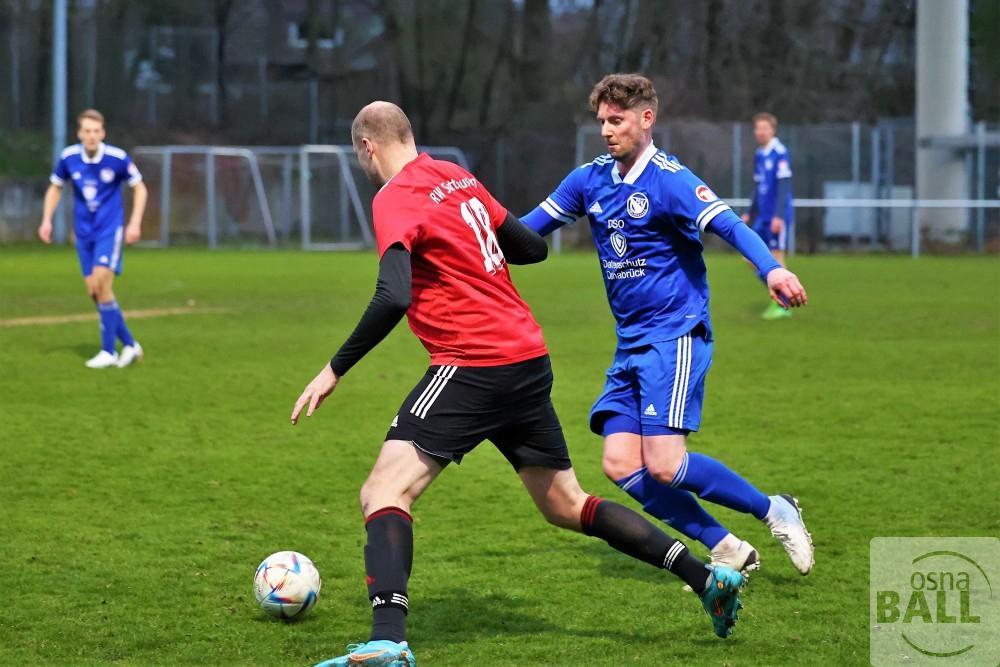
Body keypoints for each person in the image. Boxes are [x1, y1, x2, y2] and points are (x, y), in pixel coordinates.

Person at [292, 101, 749, 667]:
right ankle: (706, 577)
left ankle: (389, 638)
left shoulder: (393, 197)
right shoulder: (456, 176)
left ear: (368, 148)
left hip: (471, 363)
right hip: (527, 358)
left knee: (383, 491)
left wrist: (334, 368)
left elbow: (394, 294)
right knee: (566, 503)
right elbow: (531, 247)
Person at [522, 74, 814, 584]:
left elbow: (728, 223)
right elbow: (524, 232)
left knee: (665, 465)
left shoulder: (670, 178)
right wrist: (465, 232)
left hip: (674, 335)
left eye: (617, 121)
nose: (607, 132)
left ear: (646, 119)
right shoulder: (589, 180)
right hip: (630, 343)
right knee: (619, 464)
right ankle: (726, 546)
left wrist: (771, 268)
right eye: (602, 122)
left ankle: (773, 509)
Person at [39, 109, 147, 368]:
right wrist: (46, 219)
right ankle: (130, 345)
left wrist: (134, 223)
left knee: (102, 283)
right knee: (94, 292)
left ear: (103, 133)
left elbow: (140, 188)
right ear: (79, 133)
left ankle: (108, 352)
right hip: (83, 233)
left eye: (96, 131)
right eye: (87, 131)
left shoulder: (117, 158)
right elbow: (55, 187)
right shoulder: (68, 157)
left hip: (109, 230)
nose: (91, 136)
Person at [741, 112, 795, 320]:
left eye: (765, 128)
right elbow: (758, 187)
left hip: (776, 216)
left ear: (773, 130)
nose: (760, 132)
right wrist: (748, 213)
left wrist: (779, 216)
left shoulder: (780, 152)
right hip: (763, 216)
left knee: (777, 258)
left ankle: (783, 305)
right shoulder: (759, 154)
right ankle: (780, 292)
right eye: (758, 128)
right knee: (748, 257)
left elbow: (784, 186)